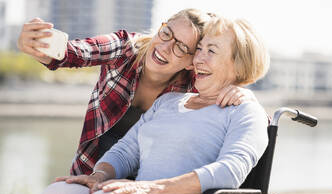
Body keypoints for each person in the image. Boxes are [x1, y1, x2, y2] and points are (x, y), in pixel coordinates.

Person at [26, 15, 270, 194]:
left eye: (211, 51)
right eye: (199, 50)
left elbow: (228, 173)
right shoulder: (170, 101)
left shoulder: (245, 111)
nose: (198, 60)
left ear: (239, 65)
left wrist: (151, 188)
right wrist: (99, 176)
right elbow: (126, 150)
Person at [17, 9, 256, 179]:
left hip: (147, 185)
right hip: (91, 171)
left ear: (191, 61)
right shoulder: (124, 48)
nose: (165, 47)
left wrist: (242, 94)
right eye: (166, 34)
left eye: (181, 47)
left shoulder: (195, 86)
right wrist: (39, 45)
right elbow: (76, 52)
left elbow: (241, 114)